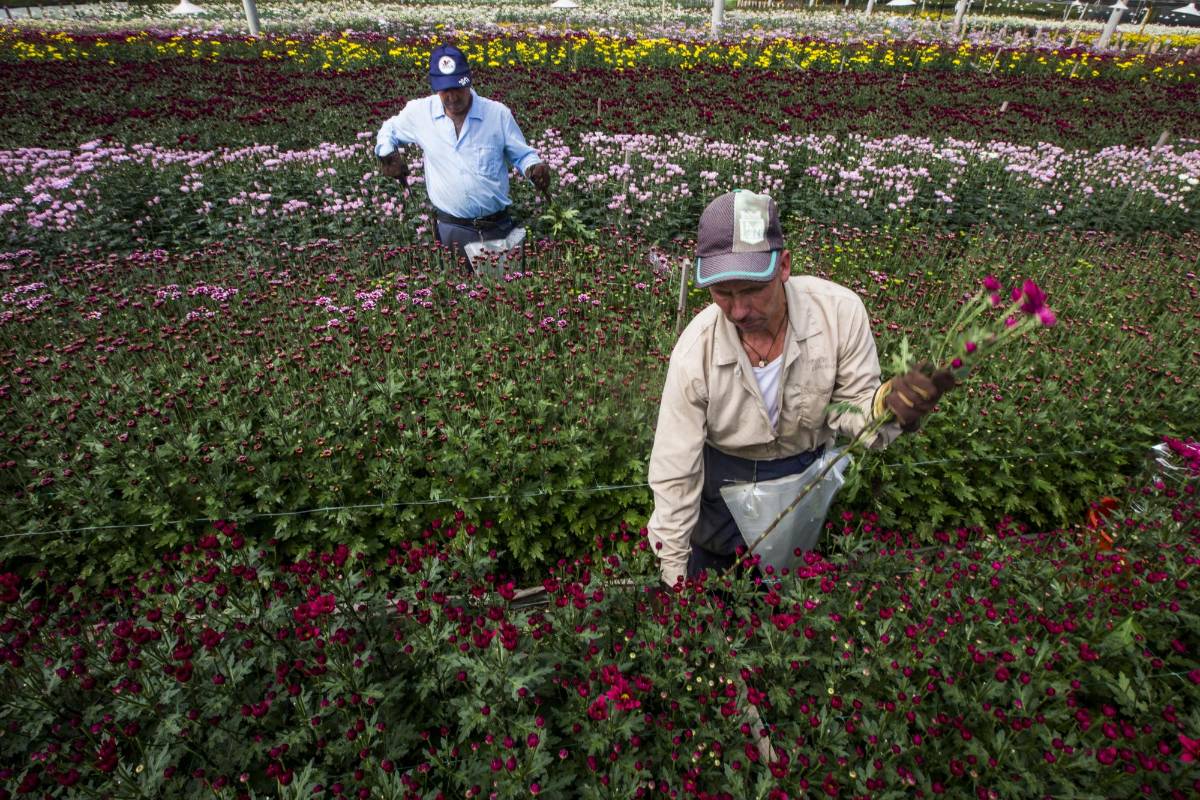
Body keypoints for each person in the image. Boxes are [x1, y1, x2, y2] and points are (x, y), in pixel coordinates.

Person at [647, 190, 955, 590]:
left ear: (784, 266)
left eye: (752, 289)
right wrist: (675, 580)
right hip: (721, 492)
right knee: (716, 603)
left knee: (787, 601)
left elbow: (850, 410)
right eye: (723, 293)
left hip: (800, 484)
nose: (738, 310)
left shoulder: (839, 315)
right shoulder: (696, 350)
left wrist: (888, 407)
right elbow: (675, 472)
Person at [374, 44, 551, 267]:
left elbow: (523, 155)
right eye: (444, 90)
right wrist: (386, 153)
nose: (452, 97)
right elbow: (388, 129)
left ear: (469, 80)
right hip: (450, 229)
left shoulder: (497, 115)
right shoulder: (419, 113)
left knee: (500, 295)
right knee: (455, 296)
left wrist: (534, 167)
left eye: (458, 88)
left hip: (495, 229)